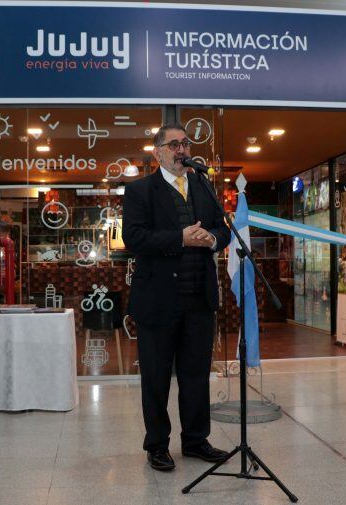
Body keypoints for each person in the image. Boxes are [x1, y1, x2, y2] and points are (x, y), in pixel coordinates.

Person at [123, 124, 232, 472]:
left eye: (185, 143)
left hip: (199, 298)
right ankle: (157, 445)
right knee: (156, 377)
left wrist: (212, 239)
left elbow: (223, 229)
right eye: (174, 145)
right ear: (158, 152)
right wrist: (180, 238)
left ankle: (196, 440)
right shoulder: (141, 190)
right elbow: (135, 238)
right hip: (157, 299)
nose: (182, 150)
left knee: (196, 375)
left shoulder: (202, 185)